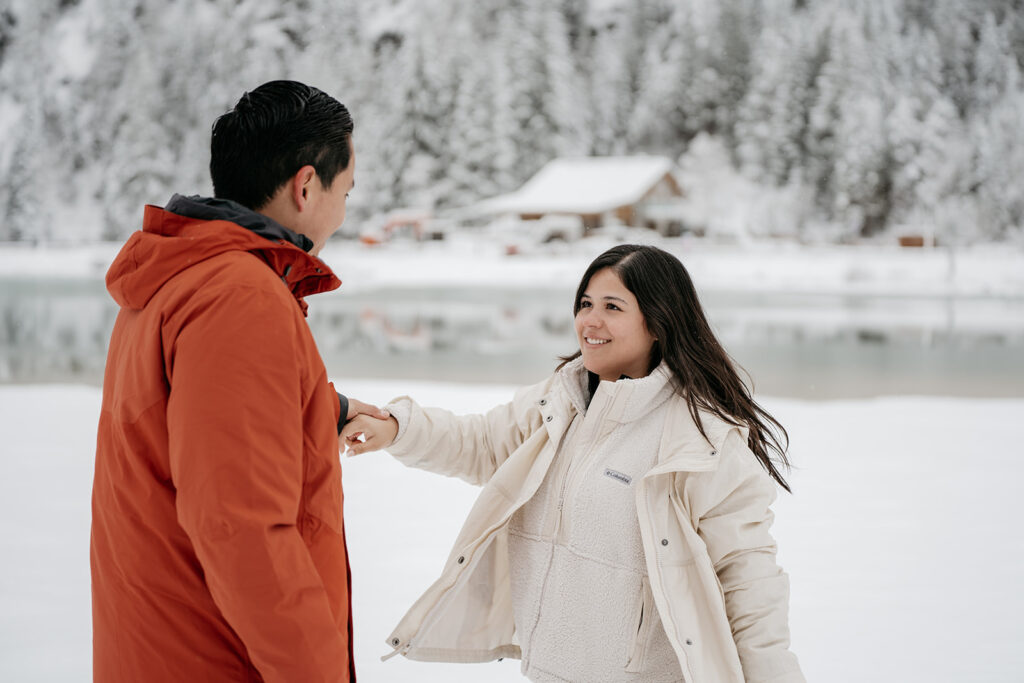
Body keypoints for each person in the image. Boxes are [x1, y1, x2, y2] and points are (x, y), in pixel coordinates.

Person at [343, 244, 805, 682]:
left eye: (612, 306)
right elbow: (483, 443)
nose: (590, 320)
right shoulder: (558, 401)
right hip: (546, 668)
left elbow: (749, 584)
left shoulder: (700, 440)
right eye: (585, 303)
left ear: (659, 323)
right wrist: (398, 429)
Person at [92, 80, 387, 682]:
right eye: (346, 191)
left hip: (163, 646)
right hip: (216, 657)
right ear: (307, 186)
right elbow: (242, 527)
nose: (346, 208)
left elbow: (197, 421)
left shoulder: (183, 276)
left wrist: (327, 410)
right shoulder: (239, 296)